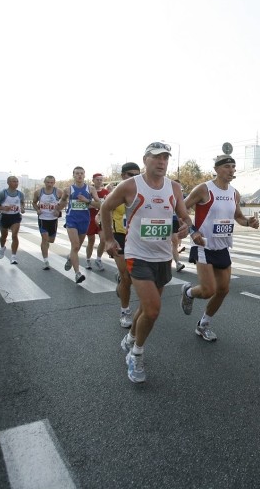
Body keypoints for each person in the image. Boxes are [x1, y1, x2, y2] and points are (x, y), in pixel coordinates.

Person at [101, 142, 195, 383]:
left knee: (145, 308)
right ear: (146, 160)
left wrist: (186, 226)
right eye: (156, 157)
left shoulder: (173, 187)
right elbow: (105, 206)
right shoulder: (131, 185)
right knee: (153, 309)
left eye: (165, 158)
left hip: (163, 256)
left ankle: (131, 337)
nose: (162, 162)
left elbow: (184, 215)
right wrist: (110, 239)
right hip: (137, 255)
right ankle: (136, 354)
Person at [180, 154, 260, 341]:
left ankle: (203, 325)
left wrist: (249, 222)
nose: (231, 170)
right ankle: (188, 292)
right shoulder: (204, 189)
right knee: (208, 290)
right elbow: (182, 209)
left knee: (223, 290)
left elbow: (238, 216)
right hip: (203, 245)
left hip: (222, 246)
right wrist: (193, 231)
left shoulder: (234, 193)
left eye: (233, 166)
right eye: (227, 166)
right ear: (216, 169)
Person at [109, 162, 141, 328]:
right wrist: (108, 238)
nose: (134, 177)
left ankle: (121, 279)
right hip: (120, 237)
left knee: (132, 277)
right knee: (127, 278)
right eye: (130, 174)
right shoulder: (117, 192)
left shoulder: (141, 190)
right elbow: (104, 210)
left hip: (136, 238)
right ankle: (125, 311)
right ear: (123, 176)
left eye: (137, 174)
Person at [59, 166, 99, 284]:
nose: (79, 175)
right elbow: (62, 202)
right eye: (77, 173)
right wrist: (57, 208)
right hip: (72, 220)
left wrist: (86, 201)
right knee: (75, 246)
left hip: (85, 220)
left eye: (81, 173)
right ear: (73, 175)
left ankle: (70, 258)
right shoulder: (68, 190)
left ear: (84, 175)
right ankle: (77, 273)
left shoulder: (90, 189)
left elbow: (99, 204)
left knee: (76, 248)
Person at [0, 175, 26, 264]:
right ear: (8, 183)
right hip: (4, 217)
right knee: (4, 236)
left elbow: (22, 202)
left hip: (16, 217)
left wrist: (22, 208)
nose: (16, 183)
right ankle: (2, 248)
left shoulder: (20, 194)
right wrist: (2, 208)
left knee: (14, 235)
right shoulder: (2, 193)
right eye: (14, 181)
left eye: (17, 181)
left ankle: (13, 256)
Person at [32, 175, 62, 270]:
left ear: (54, 183)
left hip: (53, 220)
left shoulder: (58, 191)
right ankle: (45, 261)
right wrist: (37, 209)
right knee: (44, 239)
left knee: (51, 240)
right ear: (44, 182)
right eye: (48, 182)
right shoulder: (38, 192)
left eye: (51, 182)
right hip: (43, 219)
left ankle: (45, 247)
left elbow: (64, 201)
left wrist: (58, 210)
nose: (49, 184)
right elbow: (34, 202)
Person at [85, 173, 109, 271]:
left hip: (101, 218)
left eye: (101, 179)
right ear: (93, 180)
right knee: (91, 241)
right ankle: (88, 260)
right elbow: (86, 205)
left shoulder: (105, 191)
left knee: (103, 240)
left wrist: (97, 205)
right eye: (97, 179)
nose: (99, 181)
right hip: (90, 218)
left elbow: (107, 205)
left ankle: (98, 259)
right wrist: (97, 204)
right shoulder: (88, 191)